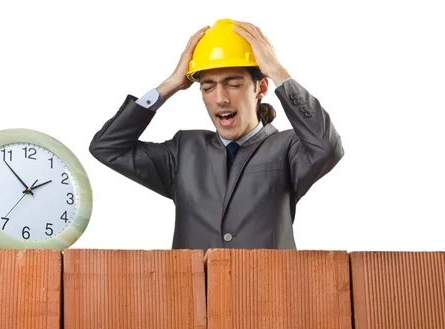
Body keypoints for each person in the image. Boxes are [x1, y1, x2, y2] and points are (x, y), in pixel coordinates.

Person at [89, 20, 344, 251]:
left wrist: (277, 71)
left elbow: (327, 147)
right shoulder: (183, 151)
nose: (220, 99)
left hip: (269, 297)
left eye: (233, 84)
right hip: (194, 300)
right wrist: (170, 84)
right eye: (208, 87)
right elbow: (108, 147)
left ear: (261, 87)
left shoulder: (287, 148)